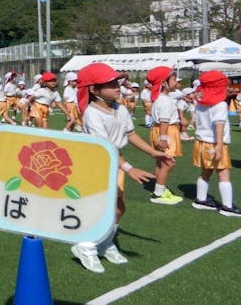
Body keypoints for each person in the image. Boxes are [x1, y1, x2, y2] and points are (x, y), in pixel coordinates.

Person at [71, 62, 174, 273]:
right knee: (101, 208)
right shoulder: (92, 114)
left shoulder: (119, 108)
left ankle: (104, 244)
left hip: (115, 162)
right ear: (93, 90)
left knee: (118, 208)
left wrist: (154, 152)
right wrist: (129, 169)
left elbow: (130, 134)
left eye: (117, 81)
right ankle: (86, 247)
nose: (117, 86)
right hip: (99, 164)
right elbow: (106, 148)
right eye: (110, 83)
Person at [190, 71, 241, 216]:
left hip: (201, 141)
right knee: (224, 173)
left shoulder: (200, 104)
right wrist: (219, 146)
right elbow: (219, 124)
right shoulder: (220, 105)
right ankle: (227, 206)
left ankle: (200, 200)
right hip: (215, 143)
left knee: (205, 172)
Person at [146, 66, 184, 205]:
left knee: (161, 162)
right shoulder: (165, 100)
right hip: (166, 132)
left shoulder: (159, 99)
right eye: (173, 79)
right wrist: (163, 138)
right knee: (168, 163)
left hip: (158, 131)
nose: (176, 82)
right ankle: (158, 193)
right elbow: (164, 121)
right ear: (163, 83)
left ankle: (159, 187)